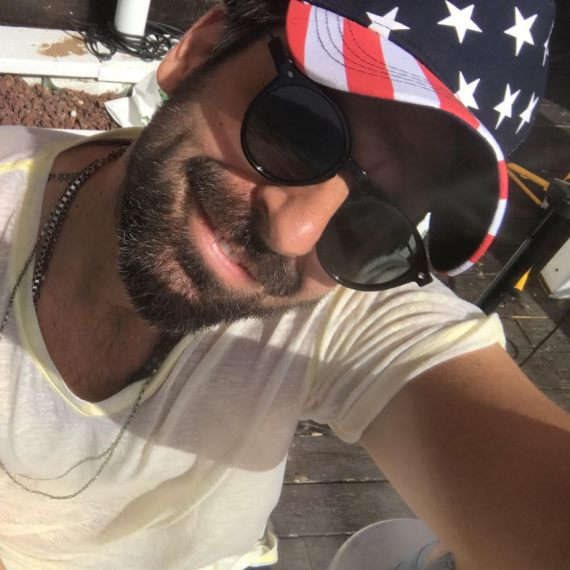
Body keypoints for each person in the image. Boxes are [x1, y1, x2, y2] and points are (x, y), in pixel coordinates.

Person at [0, 0, 567, 569]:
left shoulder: (352, 310)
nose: (296, 235)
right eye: (301, 127)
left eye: (378, 221)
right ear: (198, 50)